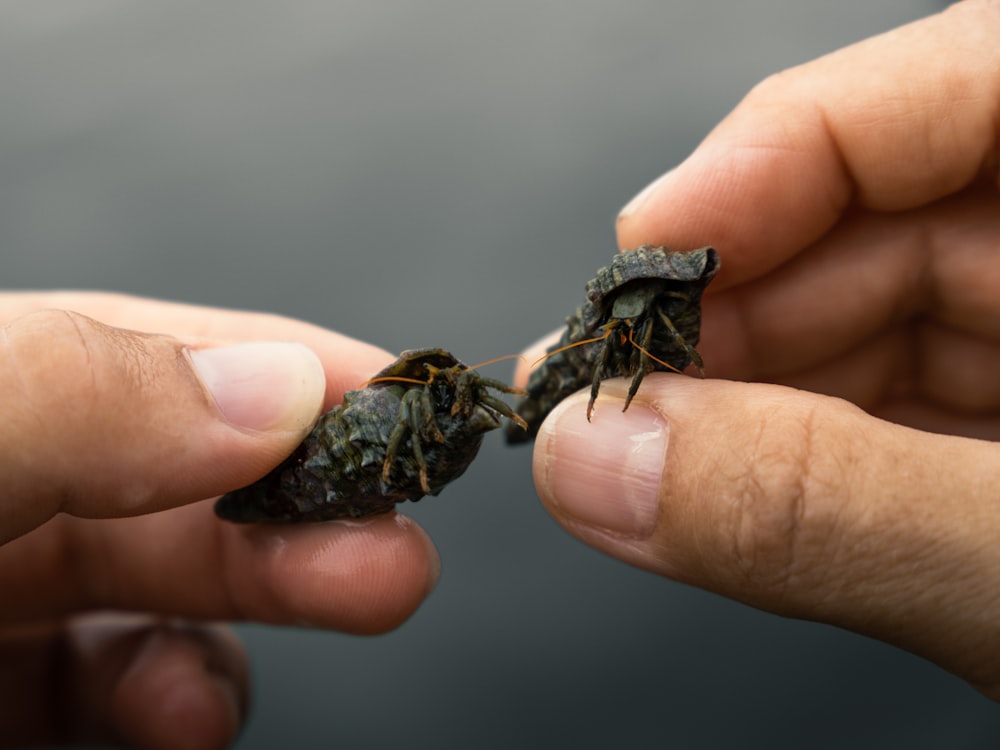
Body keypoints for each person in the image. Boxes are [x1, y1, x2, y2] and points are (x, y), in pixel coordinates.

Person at [2, 1, 998, 746]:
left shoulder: (603, 331)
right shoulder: (409, 416)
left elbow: (493, 389)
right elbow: (432, 409)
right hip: (345, 461)